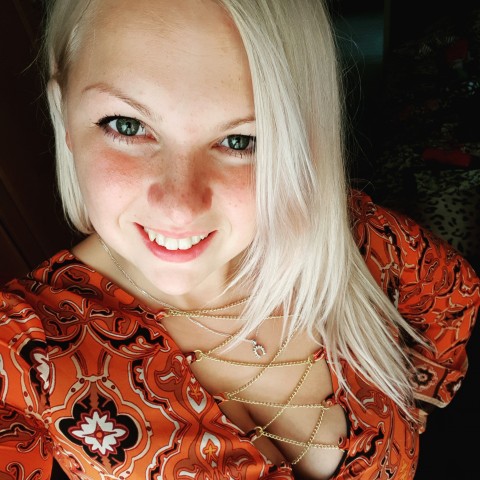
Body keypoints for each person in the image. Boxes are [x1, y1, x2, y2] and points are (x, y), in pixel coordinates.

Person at [0, 0, 478, 478]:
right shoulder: (24, 353)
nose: (180, 207)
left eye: (241, 140)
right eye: (128, 126)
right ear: (64, 114)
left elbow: (452, 297)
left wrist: (414, 408)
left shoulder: (358, 237)